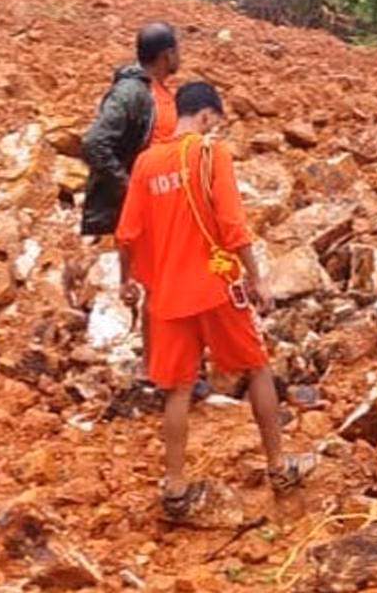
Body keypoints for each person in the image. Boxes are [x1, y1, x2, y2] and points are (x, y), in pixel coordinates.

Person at [115, 82, 315, 517]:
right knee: (257, 368)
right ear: (205, 117)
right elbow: (231, 224)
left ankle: (175, 486)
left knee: (177, 391)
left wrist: (126, 281)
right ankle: (279, 466)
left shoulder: (147, 164)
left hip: (167, 295)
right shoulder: (211, 154)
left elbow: (126, 233)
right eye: (215, 123)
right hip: (219, 285)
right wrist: (257, 279)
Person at [80, 22, 180, 236]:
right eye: (177, 51)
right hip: (127, 216)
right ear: (167, 54)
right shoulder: (130, 92)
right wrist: (130, 189)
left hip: (157, 209)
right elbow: (94, 143)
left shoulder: (161, 92)